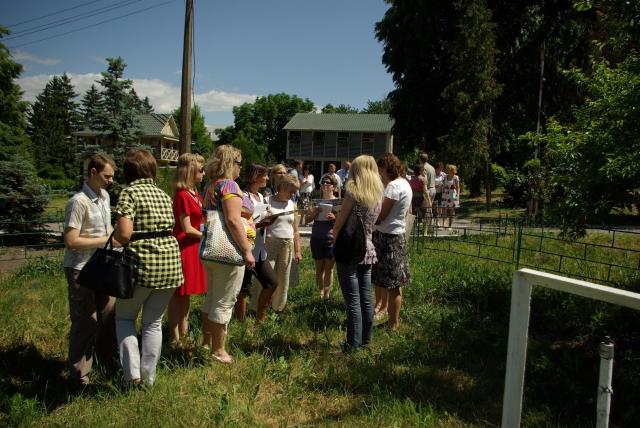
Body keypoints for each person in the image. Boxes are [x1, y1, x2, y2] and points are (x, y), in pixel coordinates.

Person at [113, 149, 183, 385]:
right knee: (153, 323)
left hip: (143, 265)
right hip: (170, 265)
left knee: (124, 318)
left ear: (128, 172)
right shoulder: (163, 194)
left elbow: (124, 234)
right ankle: (149, 378)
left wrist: (112, 236)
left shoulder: (129, 193)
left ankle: (132, 375)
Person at [63, 154, 118, 386]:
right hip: (81, 268)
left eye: (112, 177)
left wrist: (116, 240)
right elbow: (71, 240)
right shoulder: (78, 202)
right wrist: (106, 240)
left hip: (103, 265)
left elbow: (107, 227)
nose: (110, 181)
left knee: (109, 315)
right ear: (93, 172)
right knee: (85, 320)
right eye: (107, 176)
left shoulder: (104, 196)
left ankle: (107, 363)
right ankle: (79, 374)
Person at [200, 145, 256, 364]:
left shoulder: (209, 186)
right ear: (231, 163)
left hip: (210, 249)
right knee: (224, 301)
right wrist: (247, 250)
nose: (241, 168)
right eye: (239, 163)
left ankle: (206, 343)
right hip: (228, 251)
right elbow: (232, 220)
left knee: (211, 298)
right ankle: (219, 350)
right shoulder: (230, 185)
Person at [333, 155, 383, 351]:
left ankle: (352, 344)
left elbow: (339, 224)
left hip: (349, 249)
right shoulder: (378, 195)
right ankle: (366, 340)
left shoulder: (353, 194)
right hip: (368, 249)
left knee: (352, 300)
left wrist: (333, 243)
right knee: (366, 298)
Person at [168, 153, 206, 347]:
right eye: (201, 170)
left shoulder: (195, 194)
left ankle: (184, 333)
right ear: (191, 172)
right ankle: (174, 337)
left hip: (194, 246)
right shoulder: (183, 195)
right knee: (178, 294)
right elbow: (186, 228)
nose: (204, 173)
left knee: (186, 294)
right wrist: (207, 236)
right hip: (185, 247)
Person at [252, 174, 302, 313]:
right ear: (283, 187)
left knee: (283, 278)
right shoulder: (267, 200)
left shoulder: (292, 204)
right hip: (269, 244)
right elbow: (257, 222)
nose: (293, 194)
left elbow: (295, 230)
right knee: (264, 279)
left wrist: (298, 250)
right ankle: (257, 308)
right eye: (291, 191)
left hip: (287, 244)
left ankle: (278, 308)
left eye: (295, 192)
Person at [373, 153, 412, 330]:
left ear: (386, 168)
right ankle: (392, 321)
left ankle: (393, 324)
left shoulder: (393, 186)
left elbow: (382, 215)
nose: (379, 174)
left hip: (388, 239)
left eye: (380, 170)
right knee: (395, 283)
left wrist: (367, 217)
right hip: (397, 236)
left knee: (392, 285)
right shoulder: (404, 183)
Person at [236, 164, 278, 322]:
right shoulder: (243, 196)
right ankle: (241, 323)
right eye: (264, 175)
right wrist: (260, 224)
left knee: (272, 283)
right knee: (243, 288)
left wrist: (270, 217)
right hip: (247, 249)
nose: (267, 178)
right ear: (255, 177)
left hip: (260, 249)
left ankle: (260, 319)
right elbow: (242, 223)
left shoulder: (260, 196)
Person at [305, 174, 338, 299]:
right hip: (317, 237)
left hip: (331, 238)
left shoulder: (338, 201)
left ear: (333, 186)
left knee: (329, 269)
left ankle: (327, 294)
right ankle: (320, 292)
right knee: (319, 269)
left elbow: (343, 221)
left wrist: (334, 217)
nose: (324, 184)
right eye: (323, 182)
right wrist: (314, 213)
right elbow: (307, 220)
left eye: (327, 182)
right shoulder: (315, 201)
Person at [442, 164, 461, 230]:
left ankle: (450, 225)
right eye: (448, 169)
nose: (448, 170)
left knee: (452, 210)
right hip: (445, 194)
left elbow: (458, 187)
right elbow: (443, 185)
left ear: (453, 170)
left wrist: (458, 196)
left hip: (453, 195)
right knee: (444, 209)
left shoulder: (456, 177)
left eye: (449, 169)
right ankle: (444, 224)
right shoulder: (445, 177)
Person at [434, 162, 446, 227]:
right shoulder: (433, 174)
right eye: (439, 168)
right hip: (434, 192)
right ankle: (434, 220)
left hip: (441, 192)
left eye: (441, 168)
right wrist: (434, 185)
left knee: (440, 207)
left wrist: (443, 184)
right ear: (436, 168)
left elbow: (446, 181)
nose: (441, 169)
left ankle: (437, 221)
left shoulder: (443, 174)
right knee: (434, 207)